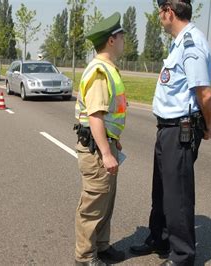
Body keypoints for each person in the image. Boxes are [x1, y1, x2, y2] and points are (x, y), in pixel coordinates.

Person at [129, 0, 211, 265]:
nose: (159, 17)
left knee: (177, 195)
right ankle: (160, 238)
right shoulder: (179, 42)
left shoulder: (191, 43)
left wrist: (208, 125)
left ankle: (182, 256)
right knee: (162, 190)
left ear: (169, 12)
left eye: (160, 12)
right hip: (167, 128)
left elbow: (205, 93)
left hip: (180, 129)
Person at [73, 11, 128, 266]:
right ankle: (85, 257)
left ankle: (102, 246)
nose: (125, 39)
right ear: (111, 40)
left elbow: (108, 115)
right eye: (121, 35)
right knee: (93, 205)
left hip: (104, 144)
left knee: (105, 202)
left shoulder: (108, 69)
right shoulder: (99, 71)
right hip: (96, 150)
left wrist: (113, 140)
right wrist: (106, 153)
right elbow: (95, 115)